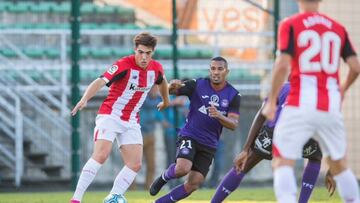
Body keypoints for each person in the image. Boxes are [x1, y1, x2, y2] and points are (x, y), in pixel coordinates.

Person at [261, 0, 360, 202]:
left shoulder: (291, 24)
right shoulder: (337, 28)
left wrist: (271, 101)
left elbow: (282, 65)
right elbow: (355, 67)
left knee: (282, 160)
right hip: (330, 105)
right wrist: (341, 89)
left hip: (300, 103)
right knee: (339, 165)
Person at [69, 32, 170, 203]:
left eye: (148, 53)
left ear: (152, 52)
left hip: (131, 120)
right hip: (110, 115)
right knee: (101, 155)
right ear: (135, 50)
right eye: (141, 52)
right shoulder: (123, 65)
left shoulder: (156, 68)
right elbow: (100, 81)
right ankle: (76, 199)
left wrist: (166, 101)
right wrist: (84, 99)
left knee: (135, 164)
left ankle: (113, 197)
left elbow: (163, 82)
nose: (144, 57)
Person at [211, 82, 336, 203]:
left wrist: (246, 149)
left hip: (278, 132)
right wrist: (333, 166)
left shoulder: (285, 87)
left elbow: (262, 114)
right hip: (296, 132)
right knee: (315, 157)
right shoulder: (321, 93)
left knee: (243, 166)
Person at [149, 56, 241, 203]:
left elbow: (233, 124)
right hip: (190, 135)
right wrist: (172, 86)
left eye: (220, 69)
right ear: (209, 70)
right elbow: (170, 91)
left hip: (209, 144)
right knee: (182, 168)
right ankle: (164, 177)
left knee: (193, 184)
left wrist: (219, 116)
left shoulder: (233, 95)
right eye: (213, 68)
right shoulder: (197, 84)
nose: (216, 72)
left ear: (227, 71)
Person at [139, 86, 163, 190]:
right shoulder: (144, 98)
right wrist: (166, 101)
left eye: (157, 89)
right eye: (154, 89)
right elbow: (151, 104)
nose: (156, 91)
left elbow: (157, 111)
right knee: (135, 164)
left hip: (151, 133)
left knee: (151, 164)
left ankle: (148, 187)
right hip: (140, 134)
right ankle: (131, 188)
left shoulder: (157, 99)